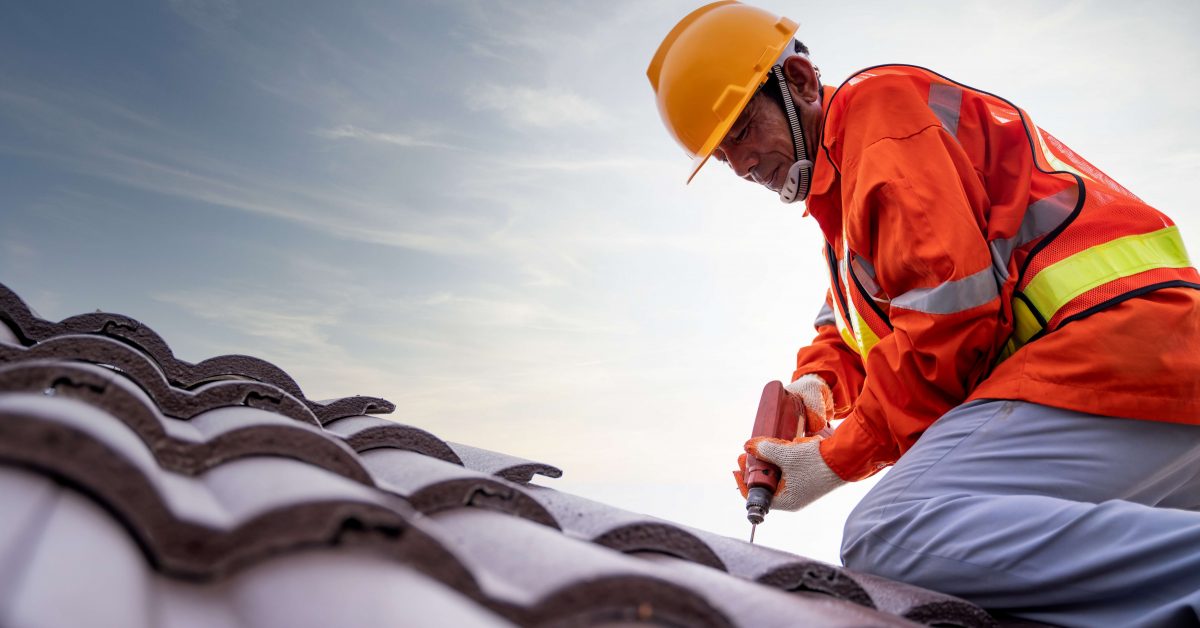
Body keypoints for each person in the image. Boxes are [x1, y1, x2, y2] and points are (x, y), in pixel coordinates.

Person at [648, 2, 1200, 626]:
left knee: (890, 532)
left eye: (743, 132)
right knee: (999, 574)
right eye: (723, 156)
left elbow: (950, 322)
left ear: (799, 84)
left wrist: (835, 458)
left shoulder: (880, 124)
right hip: (1156, 368)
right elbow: (858, 325)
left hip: (1109, 360)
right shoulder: (849, 199)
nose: (743, 165)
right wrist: (819, 389)